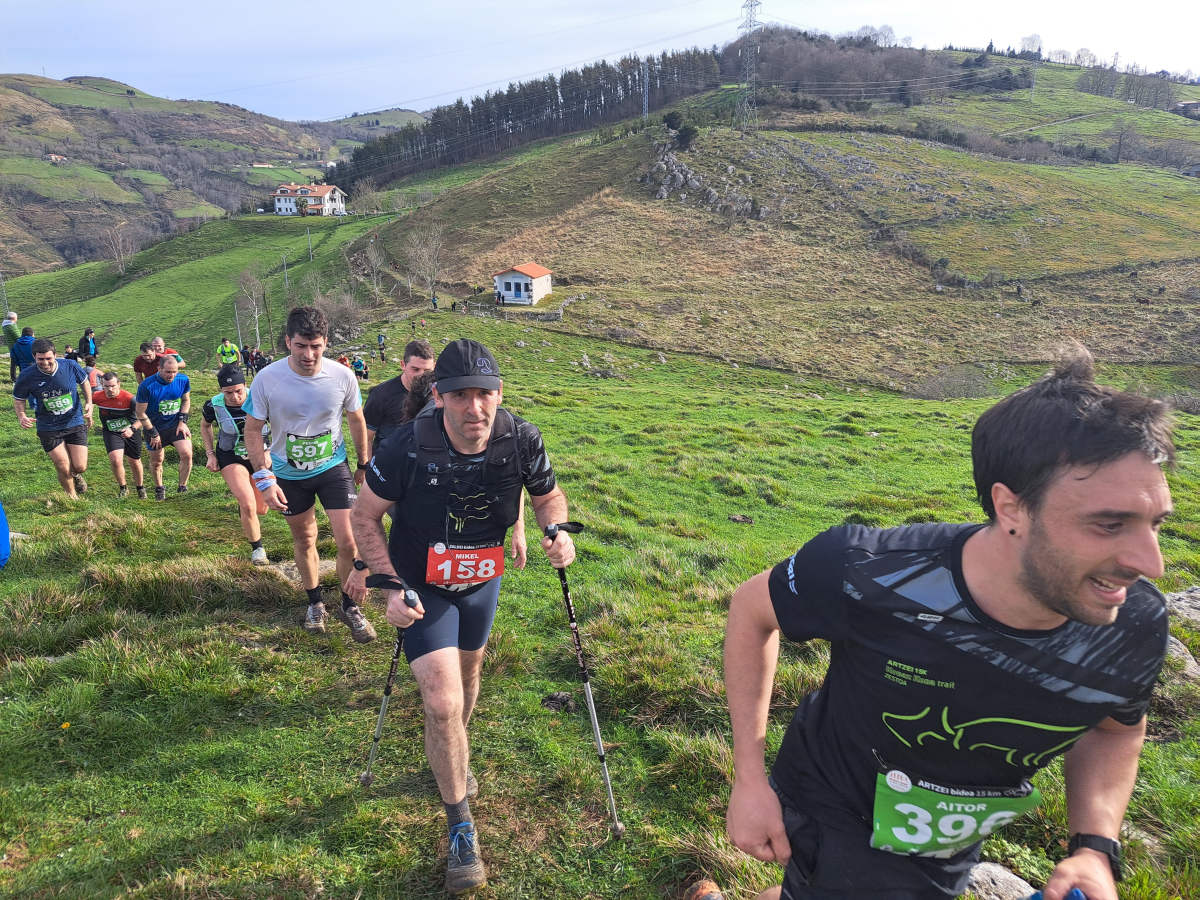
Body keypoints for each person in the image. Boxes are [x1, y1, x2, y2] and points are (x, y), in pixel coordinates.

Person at [724, 347, 1175, 900]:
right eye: (1108, 524)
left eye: (1156, 523)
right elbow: (752, 609)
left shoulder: (1135, 624)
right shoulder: (868, 571)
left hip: (952, 836)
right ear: (1010, 508)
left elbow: (1115, 728)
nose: (1151, 563)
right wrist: (749, 779)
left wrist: (1094, 846)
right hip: (837, 802)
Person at [352, 338, 576, 895]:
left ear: (499, 393)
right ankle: (460, 826)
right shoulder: (405, 445)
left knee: (468, 678)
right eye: (460, 396)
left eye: (484, 394)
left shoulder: (521, 437)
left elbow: (547, 495)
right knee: (442, 700)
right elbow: (364, 516)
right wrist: (389, 586)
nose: (474, 408)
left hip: (481, 581)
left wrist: (554, 530)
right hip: (421, 585)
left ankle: (452, 748)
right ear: (439, 396)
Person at [243, 306, 375, 643]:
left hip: (332, 467)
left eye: (316, 346)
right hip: (288, 472)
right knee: (304, 538)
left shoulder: (342, 376)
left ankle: (348, 605)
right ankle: (315, 602)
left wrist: (363, 463)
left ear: (326, 343)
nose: (308, 354)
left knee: (349, 541)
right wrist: (264, 479)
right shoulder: (267, 378)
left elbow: (356, 418)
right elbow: (253, 429)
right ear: (288, 341)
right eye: (301, 346)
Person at [202, 364, 269, 564]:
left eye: (238, 391)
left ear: (245, 385)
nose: (234, 397)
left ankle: (245, 507)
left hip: (260, 455)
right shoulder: (213, 405)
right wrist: (210, 454)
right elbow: (205, 426)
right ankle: (258, 549)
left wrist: (270, 452)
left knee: (261, 509)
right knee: (248, 503)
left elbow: (280, 426)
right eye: (228, 393)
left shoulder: (261, 399)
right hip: (230, 455)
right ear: (221, 390)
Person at [12, 338, 92, 499]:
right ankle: (72, 498)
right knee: (62, 465)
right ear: (34, 357)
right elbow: (19, 398)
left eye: (48, 358)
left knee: (80, 466)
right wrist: (21, 415)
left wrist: (89, 402)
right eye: (40, 359)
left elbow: (85, 383)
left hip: (74, 420)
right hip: (48, 426)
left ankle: (76, 474)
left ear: (55, 355)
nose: (45, 363)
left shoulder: (70, 366)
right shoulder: (27, 375)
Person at [361, 338, 435, 460]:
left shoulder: (440, 394)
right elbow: (366, 437)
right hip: (389, 463)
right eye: (415, 369)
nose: (421, 375)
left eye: (427, 370)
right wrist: (365, 466)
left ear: (434, 367)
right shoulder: (381, 394)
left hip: (426, 463)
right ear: (403, 365)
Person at [134, 354, 193, 501]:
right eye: (168, 372)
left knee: (187, 454)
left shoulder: (183, 380)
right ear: (159, 369)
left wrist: (183, 421)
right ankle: (159, 488)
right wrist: (153, 433)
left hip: (175, 425)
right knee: (157, 461)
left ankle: (182, 487)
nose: (171, 375)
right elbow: (140, 412)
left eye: (174, 372)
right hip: (154, 427)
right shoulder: (146, 385)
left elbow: (186, 400)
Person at [93, 371, 146, 499]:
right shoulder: (97, 396)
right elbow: (86, 402)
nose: (110, 389)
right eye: (106, 386)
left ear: (119, 384)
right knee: (115, 460)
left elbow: (144, 417)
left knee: (134, 461)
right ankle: (123, 488)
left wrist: (132, 429)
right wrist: (88, 413)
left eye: (113, 386)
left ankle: (140, 487)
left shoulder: (130, 399)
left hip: (131, 431)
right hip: (111, 431)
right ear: (102, 385)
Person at [3, 312, 19, 382]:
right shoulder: (11, 326)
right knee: (21, 361)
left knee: (13, 362)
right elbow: (18, 337)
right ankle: (15, 378)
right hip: (16, 346)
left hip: (11, 346)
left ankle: (13, 377)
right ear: (14, 318)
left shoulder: (5, 325)